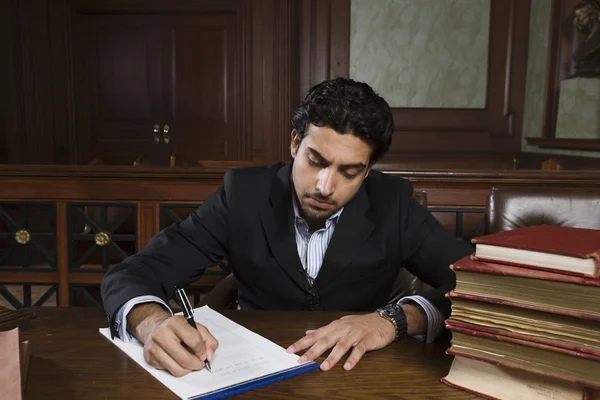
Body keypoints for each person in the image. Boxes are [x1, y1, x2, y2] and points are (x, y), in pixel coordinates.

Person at [100, 77, 473, 377]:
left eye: (350, 172)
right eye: (316, 160)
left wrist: (393, 320)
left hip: (358, 375)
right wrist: (151, 323)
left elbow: (478, 289)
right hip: (249, 375)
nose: (325, 187)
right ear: (295, 143)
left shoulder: (393, 203)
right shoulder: (242, 194)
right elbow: (133, 273)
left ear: (368, 170)